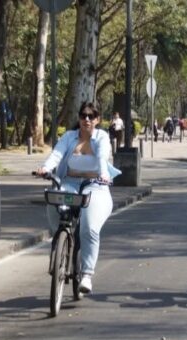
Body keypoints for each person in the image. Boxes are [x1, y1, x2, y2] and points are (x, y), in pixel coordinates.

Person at [35, 102, 121, 294]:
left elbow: (101, 157)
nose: (87, 120)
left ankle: (87, 274)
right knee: (54, 200)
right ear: (79, 118)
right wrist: (46, 168)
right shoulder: (69, 136)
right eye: (83, 116)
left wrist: (104, 173)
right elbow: (56, 154)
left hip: (96, 186)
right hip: (70, 183)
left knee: (89, 227)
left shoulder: (102, 137)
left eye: (91, 116)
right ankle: (60, 244)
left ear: (98, 119)